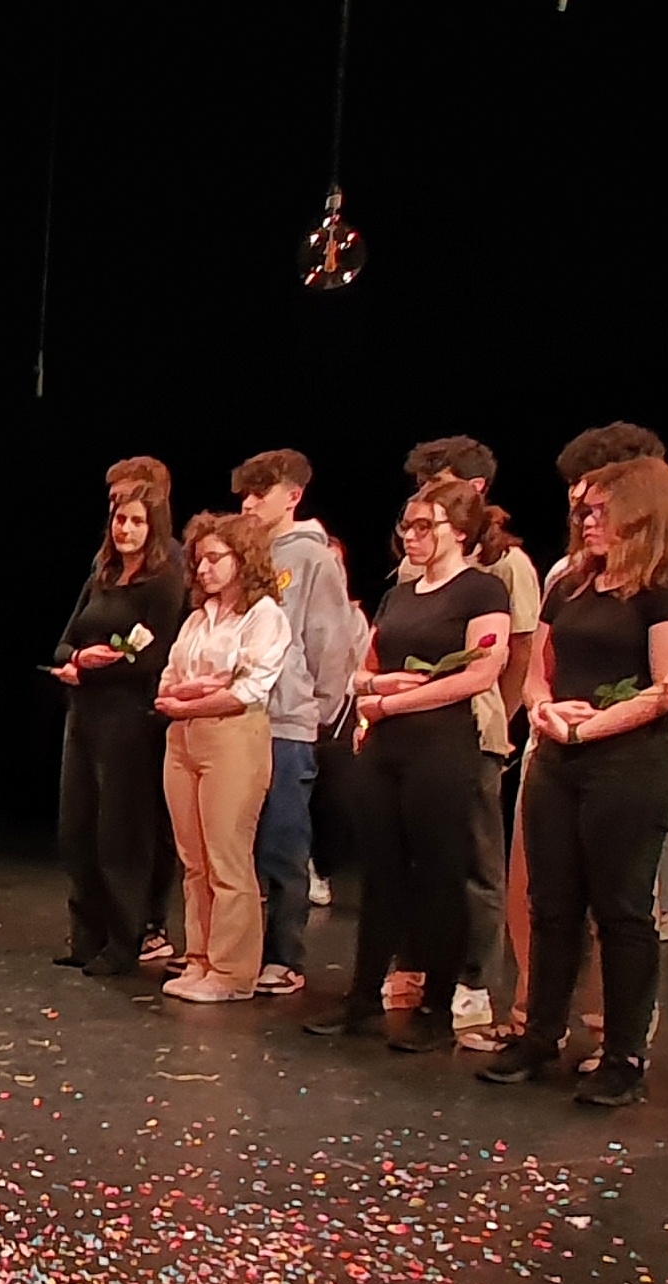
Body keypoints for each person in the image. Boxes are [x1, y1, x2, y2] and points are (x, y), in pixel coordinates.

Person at [476, 456, 668, 1109]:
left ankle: (624, 1053)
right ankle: (539, 1034)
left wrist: (594, 725)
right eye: (582, 511)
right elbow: (537, 669)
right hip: (559, 756)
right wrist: (546, 711)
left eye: (601, 511)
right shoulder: (572, 582)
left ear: (642, 512)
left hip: (627, 763)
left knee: (622, 909)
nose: (587, 522)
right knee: (550, 903)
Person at [309, 482, 514, 1049]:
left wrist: (395, 701)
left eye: (426, 526)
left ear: (461, 532)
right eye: (408, 526)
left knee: (441, 873)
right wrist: (378, 689)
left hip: (441, 746)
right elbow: (364, 669)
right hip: (386, 746)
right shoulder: (400, 593)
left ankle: (436, 1008)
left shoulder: (482, 590)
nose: (412, 537)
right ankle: (362, 998)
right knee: (381, 872)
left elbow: (480, 672)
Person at [406, 436, 535, 1045]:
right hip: (417, 729)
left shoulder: (506, 565)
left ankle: (475, 980)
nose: (423, 498)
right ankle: (421, 965)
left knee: (478, 862)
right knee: (424, 858)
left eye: (437, 485)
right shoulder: (416, 562)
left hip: (475, 726)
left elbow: (520, 652)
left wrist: (499, 720)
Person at [227, 450, 355, 996]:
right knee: (236, 840)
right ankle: (235, 951)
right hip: (237, 715)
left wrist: (314, 709)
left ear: (292, 496)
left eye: (261, 493)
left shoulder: (313, 558)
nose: (249, 504)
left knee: (282, 842)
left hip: (287, 721)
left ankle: (284, 956)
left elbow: (330, 641)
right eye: (245, 495)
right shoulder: (242, 552)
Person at [51, 458, 184, 974]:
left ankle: (126, 940)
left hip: (129, 720)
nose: (124, 528)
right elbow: (65, 641)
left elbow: (153, 656)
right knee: (77, 828)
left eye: (135, 521)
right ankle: (85, 936)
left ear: (153, 526)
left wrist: (91, 670)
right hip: (83, 716)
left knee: (120, 833)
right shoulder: (102, 574)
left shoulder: (163, 580)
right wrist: (76, 660)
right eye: (118, 519)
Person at [153, 512, 291, 1004]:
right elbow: (169, 678)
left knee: (227, 857)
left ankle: (232, 971)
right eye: (199, 559)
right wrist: (199, 690)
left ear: (243, 559)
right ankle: (200, 957)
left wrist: (193, 697)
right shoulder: (198, 617)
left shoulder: (264, 616)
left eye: (215, 558)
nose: (204, 568)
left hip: (232, 737)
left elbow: (248, 688)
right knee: (193, 860)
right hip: (183, 738)